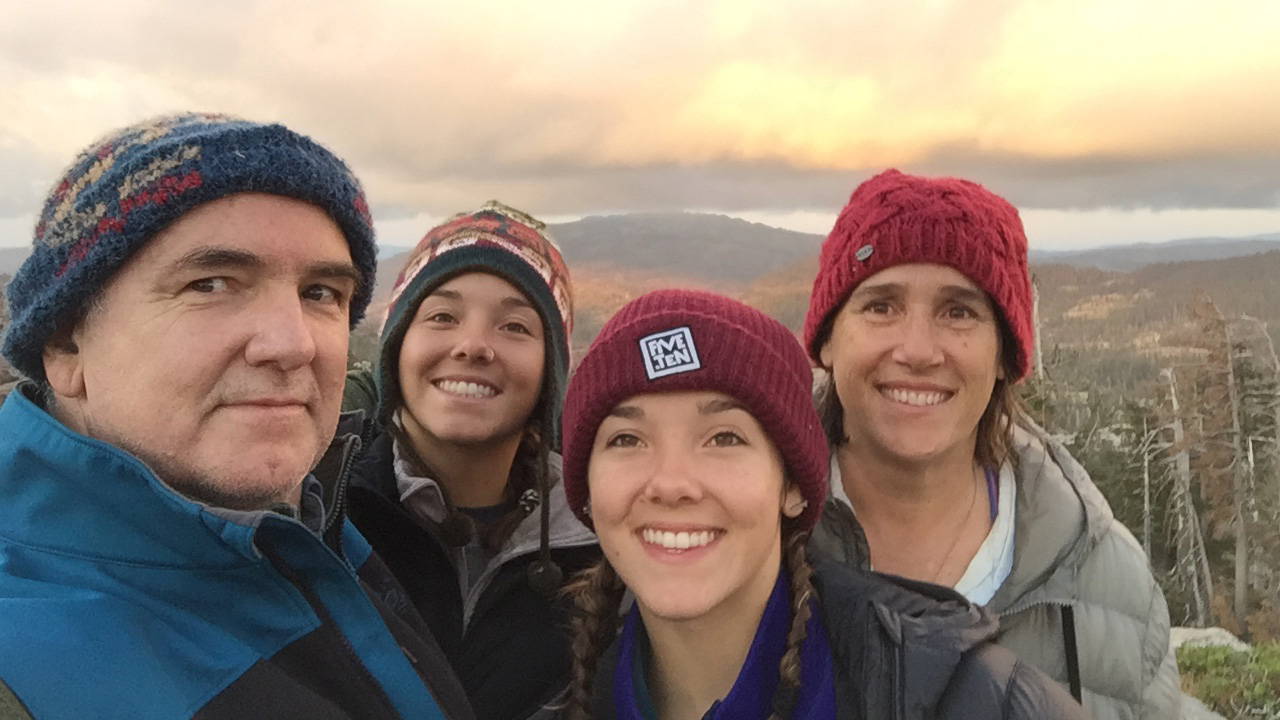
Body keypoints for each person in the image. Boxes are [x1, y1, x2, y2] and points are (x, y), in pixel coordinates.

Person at [0, 113, 472, 720]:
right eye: (212, 283)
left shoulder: (310, 528)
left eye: (321, 293)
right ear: (66, 347)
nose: (293, 343)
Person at [556, 288, 1088, 720]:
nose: (670, 484)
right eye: (626, 440)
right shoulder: (558, 698)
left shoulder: (974, 701)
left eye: (723, 438)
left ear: (792, 486)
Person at [803, 168, 1180, 719]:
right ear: (828, 340)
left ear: (1005, 356)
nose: (918, 349)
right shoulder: (753, 544)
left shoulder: (1104, 579)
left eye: (959, 311)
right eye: (881, 305)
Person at [344, 202, 600, 720]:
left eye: (515, 327)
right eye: (442, 316)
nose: (473, 346)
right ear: (396, 347)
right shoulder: (319, 509)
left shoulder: (601, 544)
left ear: (550, 374)